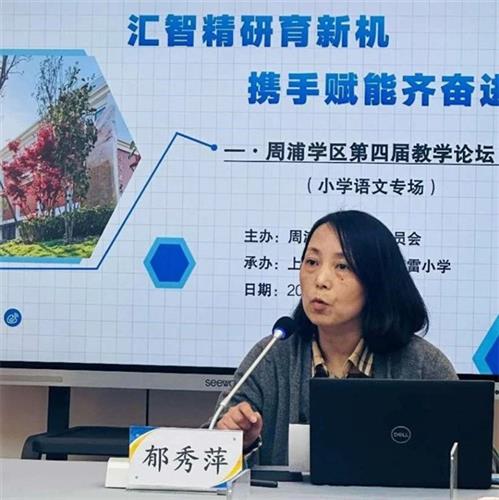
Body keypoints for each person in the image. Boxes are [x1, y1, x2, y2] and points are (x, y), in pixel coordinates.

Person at [214, 210, 457, 465]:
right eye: (311, 262)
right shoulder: (272, 355)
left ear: (377, 281)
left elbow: (471, 461)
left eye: (342, 266)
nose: (320, 280)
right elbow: (208, 448)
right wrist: (238, 441)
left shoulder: (424, 365)